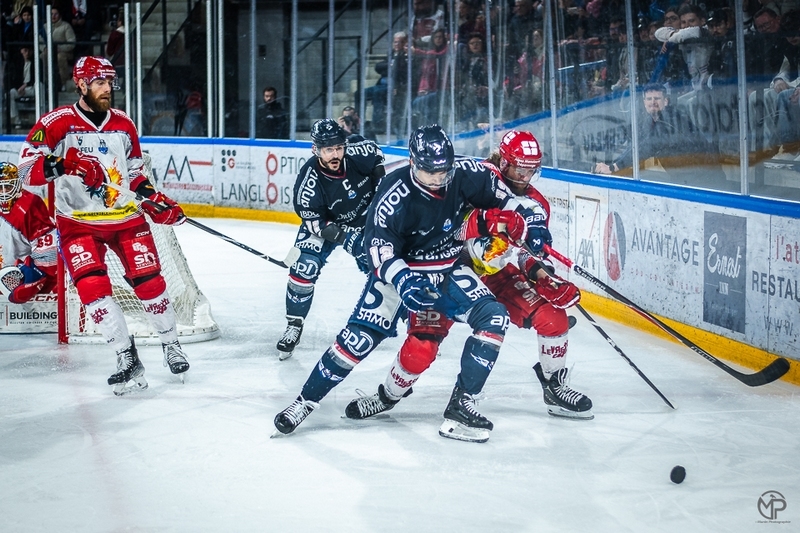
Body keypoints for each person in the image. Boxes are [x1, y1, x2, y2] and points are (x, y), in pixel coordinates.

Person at [273, 125, 553, 443]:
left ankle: (462, 405)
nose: (438, 178)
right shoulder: (393, 195)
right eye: (429, 171)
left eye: (443, 170)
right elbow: (378, 250)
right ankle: (305, 402)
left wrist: (533, 225)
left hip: (446, 270)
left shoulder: (462, 173)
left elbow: (509, 197)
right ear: (412, 162)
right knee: (357, 342)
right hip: (400, 274)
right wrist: (403, 278)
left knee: (494, 317)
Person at [343, 130, 591, 424]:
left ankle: (553, 386)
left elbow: (527, 252)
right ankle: (388, 396)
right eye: (518, 167)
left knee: (553, 317)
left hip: (495, 274)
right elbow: (450, 225)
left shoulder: (537, 204)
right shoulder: (476, 180)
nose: (523, 176)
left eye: (530, 170)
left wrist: (544, 277)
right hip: (447, 272)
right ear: (503, 160)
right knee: (421, 348)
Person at [16, 56, 190, 395]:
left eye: (109, 81)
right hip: (77, 224)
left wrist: (155, 199)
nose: (107, 88)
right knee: (93, 292)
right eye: (98, 82)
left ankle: (171, 344)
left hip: (126, 220)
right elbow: (25, 169)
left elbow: (136, 172)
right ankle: (126, 356)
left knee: (150, 283)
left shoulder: (124, 124)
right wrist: (65, 163)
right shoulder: (56, 123)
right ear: (80, 84)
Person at [275, 118, 385, 360]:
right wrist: (348, 239)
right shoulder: (308, 184)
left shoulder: (360, 151)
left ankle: (408, 322)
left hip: (363, 218)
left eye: (338, 147)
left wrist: (379, 194)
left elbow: (376, 156)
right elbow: (314, 222)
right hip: (326, 225)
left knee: (382, 264)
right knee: (304, 266)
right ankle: (294, 325)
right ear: (316, 150)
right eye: (328, 150)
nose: (335, 154)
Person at [0, 162, 57, 304]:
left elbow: (49, 255)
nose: (4, 192)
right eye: (0, 188)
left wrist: (32, 276)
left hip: (19, 274)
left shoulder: (30, 206)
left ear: (17, 184)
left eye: (7, 186)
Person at [9, 46, 38, 129]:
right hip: (21, 89)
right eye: (25, 51)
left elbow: (35, 78)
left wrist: (25, 85)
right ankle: (17, 121)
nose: (27, 53)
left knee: (39, 86)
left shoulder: (35, 62)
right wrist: (19, 88)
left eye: (28, 51)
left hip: (31, 88)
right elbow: (15, 79)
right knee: (11, 93)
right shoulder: (18, 64)